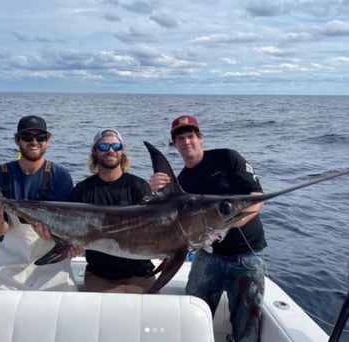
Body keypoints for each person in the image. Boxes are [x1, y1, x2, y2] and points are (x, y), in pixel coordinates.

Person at [149, 115, 266, 342]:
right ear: (174, 145)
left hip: (247, 255)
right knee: (192, 317)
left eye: (191, 136)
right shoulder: (182, 182)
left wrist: (230, 222)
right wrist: (153, 191)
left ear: (201, 138)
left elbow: (256, 196)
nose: (187, 142)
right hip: (208, 256)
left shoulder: (227, 157)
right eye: (180, 138)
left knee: (246, 326)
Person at [0, 115, 79, 291]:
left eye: (40, 137)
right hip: (9, 263)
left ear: (48, 140)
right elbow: (0, 229)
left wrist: (73, 245)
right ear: (17, 140)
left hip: (52, 262)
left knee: (69, 302)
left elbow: (66, 228)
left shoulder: (60, 176)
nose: (34, 142)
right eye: (27, 137)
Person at [69, 129, 156, 293]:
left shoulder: (138, 187)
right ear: (95, 151)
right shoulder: (82, 190)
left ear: (122, 152)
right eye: (104, 146)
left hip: (140, 275)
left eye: (116, 146)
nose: (110, 150)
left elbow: (153, 229)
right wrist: (73, 246)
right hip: (100, 276)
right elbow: (72, 232)